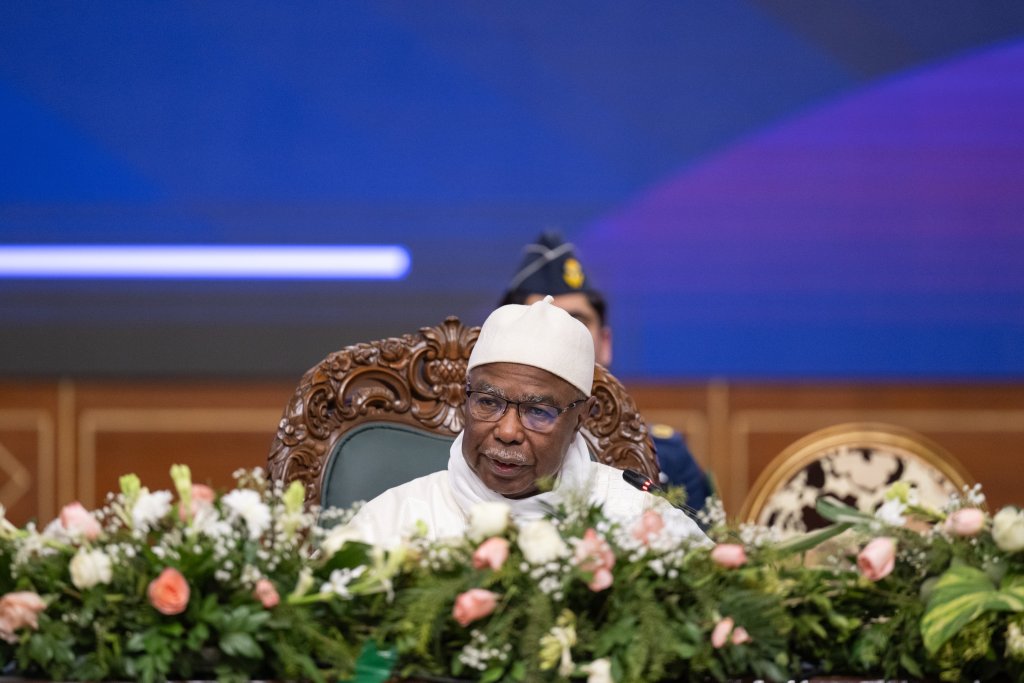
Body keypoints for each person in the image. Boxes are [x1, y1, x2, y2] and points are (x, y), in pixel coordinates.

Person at [346, 296, 707, 546]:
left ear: (580, 416)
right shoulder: (393, 519)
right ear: (465, 397)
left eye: (538, 412)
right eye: (488, 402)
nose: (506, 432)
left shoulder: (637, 518)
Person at [498, 231, 712, 510]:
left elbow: (709, 549)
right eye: (545, 320)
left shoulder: (666, 456)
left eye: (578, 322)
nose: (564, 337)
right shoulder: (484, 450)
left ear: (605, 343)